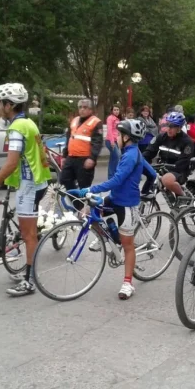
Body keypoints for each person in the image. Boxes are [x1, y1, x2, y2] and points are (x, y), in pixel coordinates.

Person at [0, 83, 50, 296]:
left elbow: (10, 163)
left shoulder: (17, 128)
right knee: (28, 233)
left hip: (29, 185)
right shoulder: (28, 123)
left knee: (28, 235)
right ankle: (29, 272)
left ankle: (30, 281)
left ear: (10, 105)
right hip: (36, 183)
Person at [69, 120, 156, 300]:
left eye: (118, 135)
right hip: (115, 198)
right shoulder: (130, 152)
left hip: (127, 204)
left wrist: (90, 189)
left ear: (126, 137)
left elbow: (116, 181)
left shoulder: (131, 156)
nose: (115, 138)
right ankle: (110, 237)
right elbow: (152, 174)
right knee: (93, 210)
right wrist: (146, 189)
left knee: (128, 245)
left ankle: (128, 283)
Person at [60, 99, 103, 202]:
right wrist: (64, 156)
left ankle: (85, 209)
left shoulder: (95, 122)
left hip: (85, 159)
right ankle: (77, 204)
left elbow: (97, 142)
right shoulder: (74, 120)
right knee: (64, 179)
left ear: (90, 110)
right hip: (71, 157)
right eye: (80, 107)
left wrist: (92, 158)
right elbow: (69, 138)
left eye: (85, 107)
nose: (82, 110)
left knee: (84, 186)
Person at [143, 112, 193, 200]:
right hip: (162, 168)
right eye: (168, 125)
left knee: (166, 180)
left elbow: (183, 162)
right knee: (149, 183)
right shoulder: (161, 137)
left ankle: (184, 198)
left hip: (179, 171)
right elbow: (150, 151)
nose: (169, 129)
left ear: (179, 128)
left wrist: (168, 169)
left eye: (172, 126)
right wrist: (141, 160)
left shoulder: (186, 141)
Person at [105, 105, 122, 179]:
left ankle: (113, 174)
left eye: (117, 110)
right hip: (110, 140)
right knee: (117, 156)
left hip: (117, 140)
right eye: (115, 110)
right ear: (112, 111)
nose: (116, 111)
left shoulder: (118, 119)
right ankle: (111, 175)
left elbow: (118, 131)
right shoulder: (110, 118)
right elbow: (109, 130)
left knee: (114, 158)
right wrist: (112, 141)